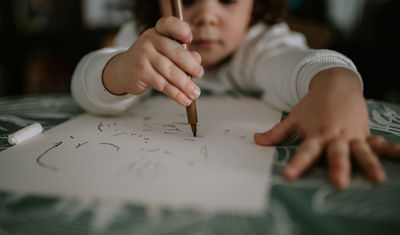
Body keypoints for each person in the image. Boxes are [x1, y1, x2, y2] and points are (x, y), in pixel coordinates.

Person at [71, 0, 400, 189]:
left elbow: (300, 66)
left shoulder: (260, 44)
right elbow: (82, 89)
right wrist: (117, 71)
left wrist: (336, 83)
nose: (207, 15)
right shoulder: (146, 39)